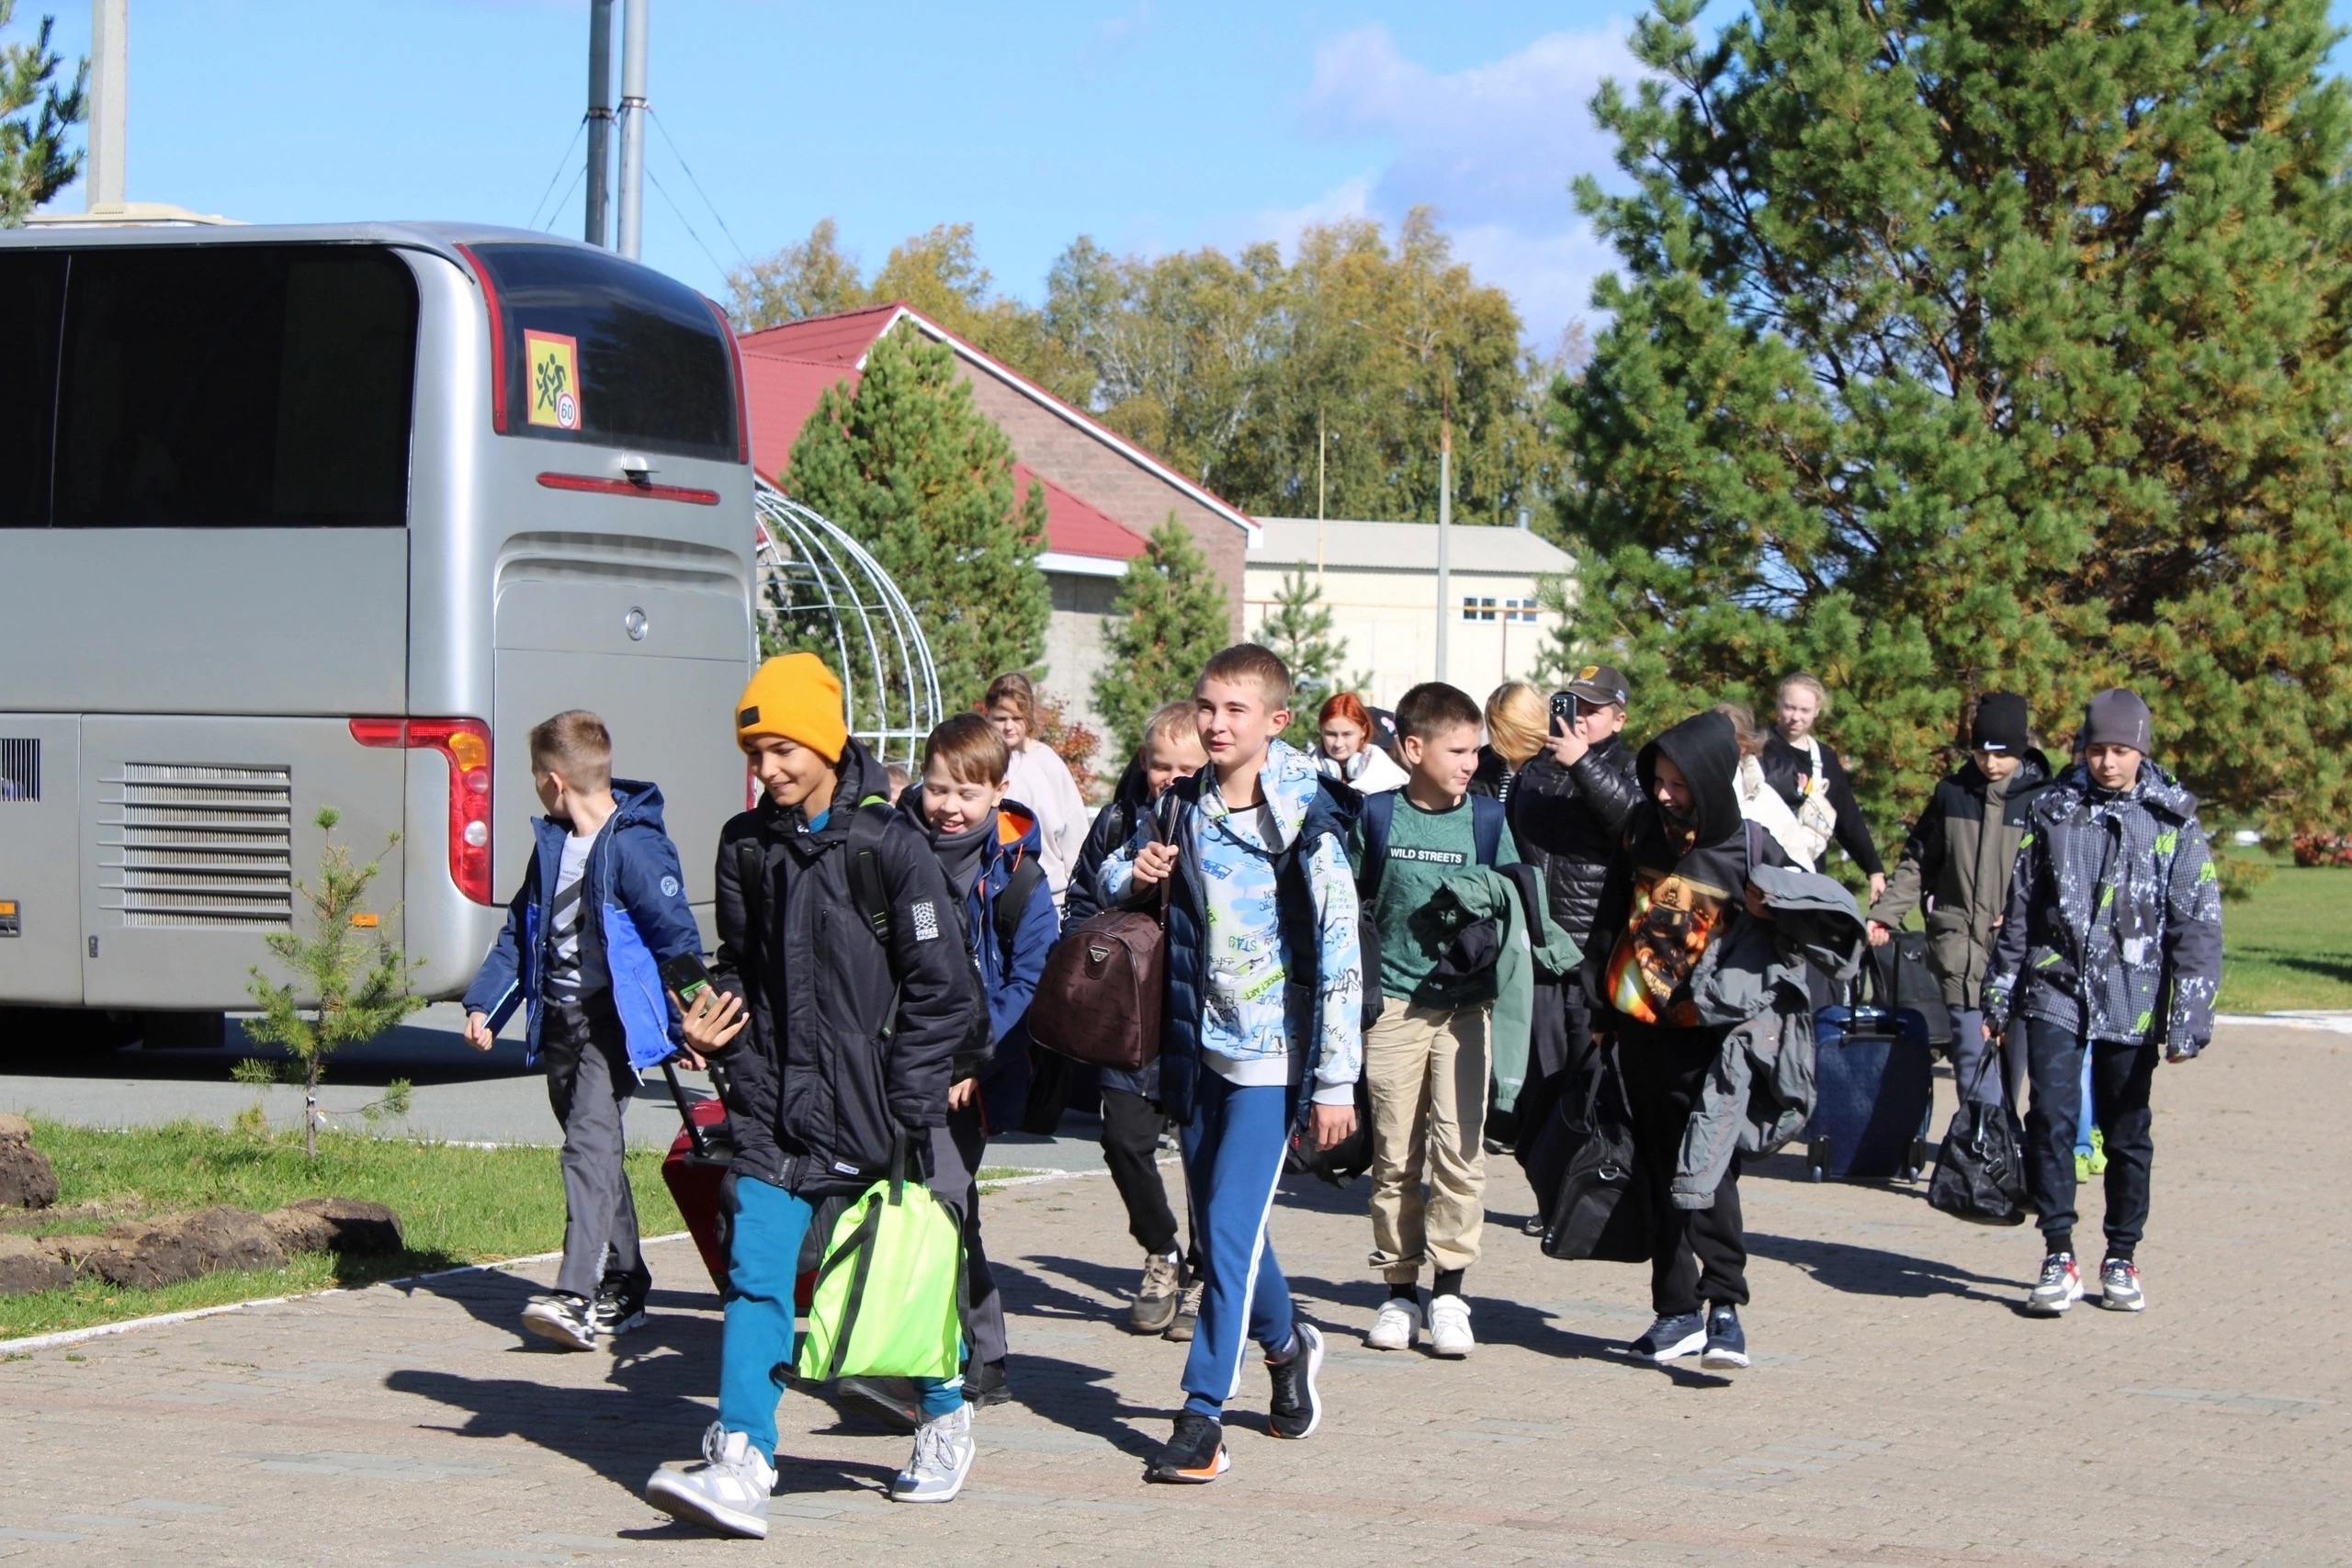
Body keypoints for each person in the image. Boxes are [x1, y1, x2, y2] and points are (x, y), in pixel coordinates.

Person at [642, 653, 978, 1536]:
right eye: (756, 754)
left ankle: (944, 1411)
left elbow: (946, 988)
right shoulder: (745, 845)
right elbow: (740, 970)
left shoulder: (889, 848)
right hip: (771, 1107)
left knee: (887, 1283)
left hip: (875, 1112)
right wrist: (707, 1021)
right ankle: (742, 1461)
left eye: (784, 749)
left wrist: (908, 1094)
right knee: (756, 1279)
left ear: (827, 740)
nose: (768, 770)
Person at [1100, 643, 1361, 1484]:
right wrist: (1132, 872)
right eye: (1206, 705)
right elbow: (1104, 873)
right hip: (1198, 1046)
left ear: (1277, 721)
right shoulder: (1183, 807)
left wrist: (1333, 1081)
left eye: (1234, 709)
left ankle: (1202, 1414)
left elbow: (1342, 950)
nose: (1215, 722)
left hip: (1274, 1058)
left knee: (1227, 1237)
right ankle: (1288, 1347)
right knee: (1225, 1229)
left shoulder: (1309, 820)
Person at [461, 710, 700, 1352]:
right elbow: (521, 930)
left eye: (537, 776)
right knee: (595, 1150)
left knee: (586, 1147)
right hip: (560, 1021)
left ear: (554, 779)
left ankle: (573, 1293)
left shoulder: (634, 847)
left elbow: (676, 941)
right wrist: (486, 1003)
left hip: (608, 1024)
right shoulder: (553, 845)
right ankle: (626, 1280)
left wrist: (692, 1021)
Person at [1984, 688, 2221, 1317]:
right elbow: (2023, 911)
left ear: (2140, 749)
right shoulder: (2054, 810)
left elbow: (2197, 923)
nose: (2107, 762)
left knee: (2125, 1129)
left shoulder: (2173, 820)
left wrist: (2188, 1020)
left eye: (2119, 750)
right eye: (2096, 749)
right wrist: (2000, 988)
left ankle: (2122, 1254)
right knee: (2052, 1118)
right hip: (2056, 987)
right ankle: (2057, 1251)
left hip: (2133, 997)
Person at [1589, 709, 1791, 1371]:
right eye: (1658, 779)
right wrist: (1600, 1007)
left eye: (1678, 782)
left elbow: (1809, 921)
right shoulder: (1645, 827)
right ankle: (1675, 1311)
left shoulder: (1749, 845)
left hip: (1714, 1040)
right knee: (1656, 1167)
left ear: (1709, 777)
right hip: (1641, 1032)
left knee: (1707, 1170)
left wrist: (1771, 910)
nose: (1665, 793)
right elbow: (1613, 910)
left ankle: (1724, 1309)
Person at [1357, 682, 1519, 1359]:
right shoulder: (1375, 817)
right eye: (1458, 749)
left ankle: (1451, 1290)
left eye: (1477, 750)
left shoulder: (1485, 820)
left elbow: (1515, 899)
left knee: (1460, 1152)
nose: (1471, 762)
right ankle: (1399, 1292)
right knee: (1395, 1155)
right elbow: (1353, 904)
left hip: (1467, 1008)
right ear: (1412, 748)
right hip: (1393, 1006)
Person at [902, 712, 1059, 1407]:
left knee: (946, 1204)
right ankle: (899, 1341)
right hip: (890, 1053)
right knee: (892, 1206)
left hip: (970, 1069)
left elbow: (1029, 981)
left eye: (965, 794)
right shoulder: (893, 846)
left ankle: (980, 1350)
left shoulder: (1022, 880)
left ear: (998, 791)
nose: (948, 807)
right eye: (937, 789)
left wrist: (973, 1056)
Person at [1068, 700, 1210, 1337]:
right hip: (1133, 1015)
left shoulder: (1228, 822)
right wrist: (1126, 884)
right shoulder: (1121, 819)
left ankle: (1208, 1274)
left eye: (1187, 765)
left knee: (1209, 1151)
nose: (1171, 776)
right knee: (1124, 1140)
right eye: (1160, 764)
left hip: (1208, 1016)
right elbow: (1077, 904)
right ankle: (1162, 1250)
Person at [1867, 692, 2053, 1108]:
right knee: (1971, 1056)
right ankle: (1979, 1153)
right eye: (1981, 752)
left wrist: (2028, 913)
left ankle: (2005, 1150)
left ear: (2020, 749)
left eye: (2002, 754)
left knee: (2011, 1066)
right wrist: (1884, 915)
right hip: (1959, 949)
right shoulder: (1951, 794)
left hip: (2018, 955)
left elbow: (2059, 878)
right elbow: (1917, 863)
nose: (1990, 763)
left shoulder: (2044, 799)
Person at [1502, 666, 1643, 1170]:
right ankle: (1550, 1186)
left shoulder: (1630, 769)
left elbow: (1633, 826)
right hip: (1538, 948)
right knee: (1544, 1079)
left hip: (1593, 954)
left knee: (1592, 1078)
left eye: (1594, 710)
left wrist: (1583, 763)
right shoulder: (1535, 769)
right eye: (1573, 705)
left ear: (1619, 719)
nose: (1580, 718)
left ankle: (1595, 1184)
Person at [1760, 672, 1886, 903]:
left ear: (1817, 711)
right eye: (1789, 707)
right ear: (1778, 704)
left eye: (1805, 710)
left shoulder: (1825, 759)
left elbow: (1847, 819)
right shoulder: (1758, 748)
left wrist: (1874, 870)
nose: (1795, 717)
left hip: (1807, 877)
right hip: (1760, 874)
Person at [984, 671, 1090, 907]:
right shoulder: (981, 762)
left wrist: (1080, 892)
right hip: (993, 891)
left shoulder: (1047, 763)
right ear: (988, 715)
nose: (1009, 727)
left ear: (1028, 718)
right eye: (1001, 718)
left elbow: (1075, 835)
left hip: (1048, 895)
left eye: (1017, 718)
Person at [1716, 703, 1814, 868]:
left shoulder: (1767, 802)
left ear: (1742, 748)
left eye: (1721, 743)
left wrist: (1770, 891)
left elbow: (1800, 870)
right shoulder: (1679, 790)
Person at [1469, 681, 1548, 807]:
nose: (1499, 738)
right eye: (1495, 727)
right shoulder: (1482, 767)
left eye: (1507, 728)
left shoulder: (1560, 767)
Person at [1316, 691, 1408, 795]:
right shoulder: (1299, 776)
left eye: (1347, 734)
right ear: (1320, 730)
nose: (1338, 743)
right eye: (1331, 734)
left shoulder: (1394, 787)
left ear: (1364, 730)